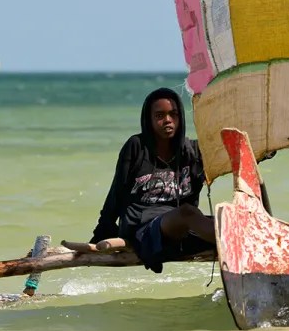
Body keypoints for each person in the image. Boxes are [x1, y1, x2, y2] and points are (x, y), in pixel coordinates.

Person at [90, 88, 214, 273]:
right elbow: (117, 192)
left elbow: (230, 154)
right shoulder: (136, 147)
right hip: (143, 226)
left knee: (224, 219)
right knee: (187, 212)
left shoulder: (192, 151)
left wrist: (264, 150)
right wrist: (101, 233)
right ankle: (235, 245)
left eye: (173, 114)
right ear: (148, 120)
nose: (168, 120)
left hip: (179, 226)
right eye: (159, 115)